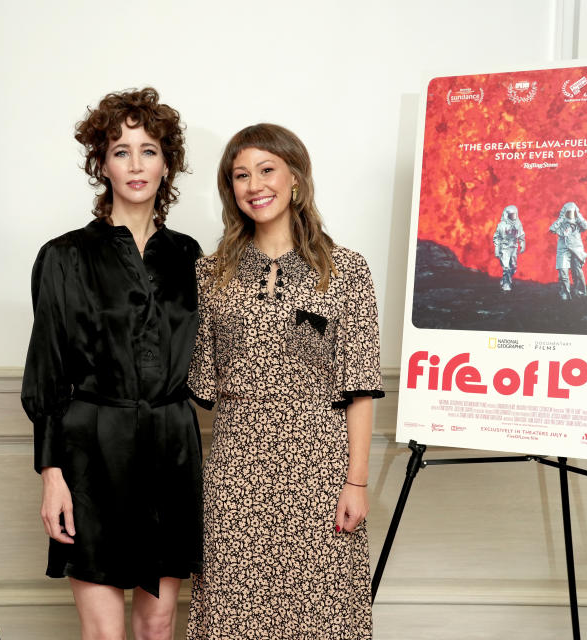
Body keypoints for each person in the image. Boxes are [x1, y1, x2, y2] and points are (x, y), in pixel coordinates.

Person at [187, 123, 383, 639]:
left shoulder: (346, 271)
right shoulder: (209, 276)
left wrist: (356, 483)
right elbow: (197, 388)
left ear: (295, 177)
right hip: (234, 471)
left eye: (266, 169)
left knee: (322, 614)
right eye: (240, 175)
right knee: (232, 616)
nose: (254, 185)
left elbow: (360, 387)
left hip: (320, 471)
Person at [20, 88, 202, 640]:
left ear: (167, 163)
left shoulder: (192, 257)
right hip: (91, 451)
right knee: (104, 633)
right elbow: (47, 372)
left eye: (148, 150)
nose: (135, 164)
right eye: (121, 151)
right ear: (101, 163)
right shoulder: (64, 255)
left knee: (159, 623)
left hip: (171, 447)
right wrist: (52, 477)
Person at [549, 201, 587, 300]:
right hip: (563, 249)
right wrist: (562, 219)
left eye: (573, 212)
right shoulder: (561, 222)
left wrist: (578, 216)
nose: (571, 215)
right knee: (563, 271)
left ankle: (580, 292)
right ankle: (565, 293)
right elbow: (552, 229)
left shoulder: (578, 222)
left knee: (577, 271)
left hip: (576, 248)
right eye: (569, 212)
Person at [493, 204, 525, 291]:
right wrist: (497, 250)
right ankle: (506, 285)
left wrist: (522, 244)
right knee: (506, 266)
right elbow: (497, 238)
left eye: (514, 214)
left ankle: (505, 279)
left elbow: (521, 235)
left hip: (513, 248)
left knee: (513, 267)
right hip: (505, 248)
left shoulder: (518, 224)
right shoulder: (501, 225)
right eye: (511, 215)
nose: (513, 217)